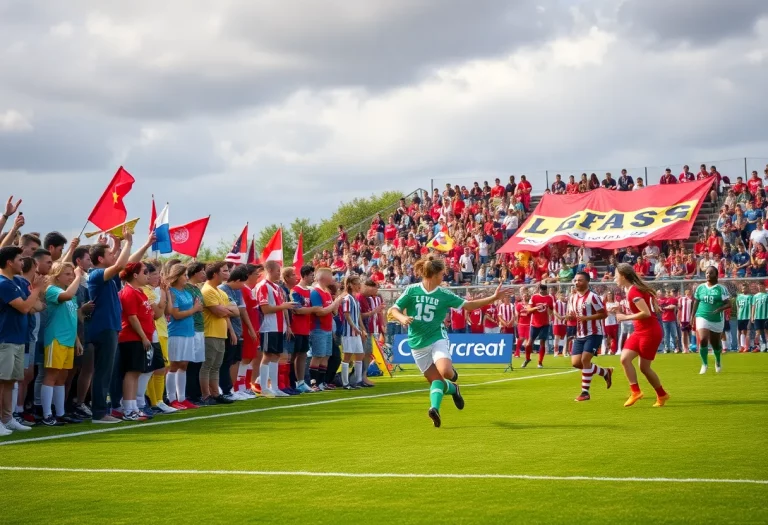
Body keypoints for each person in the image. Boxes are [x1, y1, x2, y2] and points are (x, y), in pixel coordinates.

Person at [388, 255, 513, 427]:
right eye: (441, 274)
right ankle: (450, 393)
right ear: (433, 275)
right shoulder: (411, 290)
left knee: (445, 372)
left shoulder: (444, 294)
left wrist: (493, 298)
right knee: (436, 381)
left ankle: (435, 407)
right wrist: (401, 317)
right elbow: (394, 309)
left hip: (437, 337)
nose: (443, 277)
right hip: (417, 343)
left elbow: (468, 305)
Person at [87, 228, 155, 424]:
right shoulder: (96, 275)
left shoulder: (108, 276)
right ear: (100, 259)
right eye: (109, 254)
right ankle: (99, 413)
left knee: (109, 372)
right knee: (102, 372)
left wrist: (144, 245)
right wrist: (127, 243)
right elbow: (120, 265)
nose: (114, 255)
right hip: (104, 328)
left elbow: (129, 263)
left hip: (111, 327)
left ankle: (108, 408)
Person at [0, 246, 45, 435]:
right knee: (2, 381)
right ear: (10, 262)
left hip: (19, 339)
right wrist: (37, 290)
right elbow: (26, 307)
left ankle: (7, 418)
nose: (22, 263)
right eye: (19, 259)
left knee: (11, 381)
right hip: (5, 339)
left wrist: (33, 295)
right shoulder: (3, 284)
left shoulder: (16, 282)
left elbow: (36, 306)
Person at [612, 263, 668, 407]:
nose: (614, 278)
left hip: (649, 332)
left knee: (644, 368)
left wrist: (624, 317)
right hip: (641, 330)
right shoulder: (631, 289)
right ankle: (636, 391)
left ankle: (661, 395)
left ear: (623, 276)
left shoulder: (633, 291)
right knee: (624, 359)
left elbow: (646, 313)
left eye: (616, 275)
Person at [117, 262, 162, 421]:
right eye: (144, 272)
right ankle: (128, 409)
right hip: (131, 338)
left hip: (142, 338)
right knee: (132, 372)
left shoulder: (140, 291)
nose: (147, 275)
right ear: (135, 275)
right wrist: (143, 337)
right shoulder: (129, 292)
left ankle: (134, 406)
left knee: (137, 372)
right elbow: (132, 317)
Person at [41, 262, 84, 426]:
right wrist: (79, 277)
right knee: (51, 375)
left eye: (72, 274)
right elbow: (65, 295)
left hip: (68, 340)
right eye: (67, 274)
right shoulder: (53, 290)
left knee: (62, 377)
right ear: (57, 275)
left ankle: (60, 413)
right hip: (56, 339)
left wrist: (77, 340)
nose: (71, 276)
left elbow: (72, 319)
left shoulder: (70, 294)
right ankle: (47, 415)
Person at [567, 272, 611, 402]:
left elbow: (603, 314)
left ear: (587, 282)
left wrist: (587, 318)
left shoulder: (593, 297)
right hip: (580, 334)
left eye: (580, 280)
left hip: (594, 333)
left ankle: (585, 392)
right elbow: (573, 313)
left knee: (585, 360)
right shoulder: (572, 297)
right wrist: (570, 317)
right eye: (575, 280)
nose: (576, 283)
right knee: (576, 363)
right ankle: (605, 372)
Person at [256, 260, 297, 397]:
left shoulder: (277, 287)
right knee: (267, 355)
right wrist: (284, 306)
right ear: (270, 271)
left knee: (276, 356)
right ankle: (263, 387)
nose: (279, 273)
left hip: (280, 327)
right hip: (269, 326)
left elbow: (282, 306)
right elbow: (265, 309)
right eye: (278, 271)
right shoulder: (263, 286)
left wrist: (287, 324)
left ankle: (274, 387)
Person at [166, 263, 203, 410]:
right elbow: (175, 314)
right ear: (176, 276)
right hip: (176, 332)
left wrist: (195, 309)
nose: (186, 278)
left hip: (189, 332)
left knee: (184, 365)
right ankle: (171, 398)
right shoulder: (172, 292)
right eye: (183, 275)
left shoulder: (187, 293)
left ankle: (182, 397)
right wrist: (194, 309)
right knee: (174, 365)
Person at [200, 262, 238, 405]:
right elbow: (219, 311)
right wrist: (226, 310)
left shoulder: (220, 292)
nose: (227, 273)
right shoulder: (207, 290)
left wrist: (231, 331)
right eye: (224, 271)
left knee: (216, 366)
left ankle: (215, 394)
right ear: (215, 274)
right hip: (209, 333)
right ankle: (206, 395)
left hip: (221, 333)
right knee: (208, 365)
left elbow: (235, 312)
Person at [692, 266, 731, 374]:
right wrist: (692, 316)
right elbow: (696, 302)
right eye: (707, 273)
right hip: (702, 316)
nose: (708, 275)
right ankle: (704, 364)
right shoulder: (700, 288)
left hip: (717, 319)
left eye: (711, 273)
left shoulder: (721, 288)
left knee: (715, 343)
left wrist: (720, 308)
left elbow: (729, 303)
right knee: (703, 339)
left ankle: (717, 361)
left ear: (716, 275)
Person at [340, 276, 366, 390]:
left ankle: (357, 380)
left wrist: (362, 328)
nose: (358, 286)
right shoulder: (347, 298)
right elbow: (347, 315)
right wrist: (354, 327)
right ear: (350, 284)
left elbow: (358, 316)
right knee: (347, 356)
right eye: (356, 283)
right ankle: (345, 383)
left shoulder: (355, 299)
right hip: (349, 332)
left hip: (356, 332)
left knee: (360, 354)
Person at [525, 283, 554, 369]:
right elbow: (528, 310)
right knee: (529, 343)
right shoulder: (534, 297)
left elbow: (551, 313)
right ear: (539, 290)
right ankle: (527, 359)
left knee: (542, 342)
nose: (543, 292)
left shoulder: (550, 298)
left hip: (545, 324)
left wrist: (547, 308)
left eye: (544, 290)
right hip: (534, 323)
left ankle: (540, 362)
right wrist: (536, 308)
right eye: (542, 290)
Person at [752, 283, 768, 352]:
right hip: (757, 317)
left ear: (764, 287)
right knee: (757, 333)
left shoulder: (767, 295)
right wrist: (752, 316)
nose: (760, 287)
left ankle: (766, 346)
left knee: (766, 332)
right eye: (759, 286)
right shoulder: (755, 296)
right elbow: (753, 306)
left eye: (761, 286)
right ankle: (757, 347)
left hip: (766, 316)